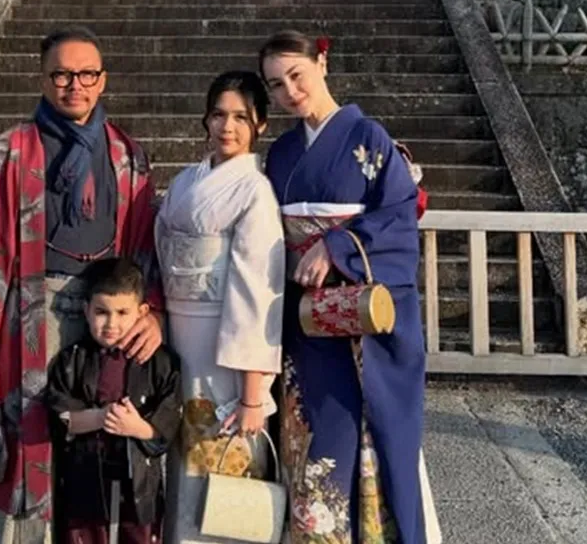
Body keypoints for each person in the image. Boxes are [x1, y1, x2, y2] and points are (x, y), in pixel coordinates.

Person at [0, 25, 166, 544]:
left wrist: (151, 312)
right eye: (62, 74)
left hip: (109, 315)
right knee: (25, 436)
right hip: (27, 310)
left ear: (103, 80)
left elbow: (145, 248)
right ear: (44, 78)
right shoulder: (4, 156)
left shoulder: (129, 158)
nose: (75, 85)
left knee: (98, 435)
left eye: (86, 74)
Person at [258, 30, 441, 543]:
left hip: (361, 321)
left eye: (296, 75)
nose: (289, 91)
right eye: (276, 85)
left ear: (322, 63)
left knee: (371, 435)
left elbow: (399, 216)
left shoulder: (370, 138)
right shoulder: (282, 154)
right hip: (306, 320)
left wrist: (336, 247)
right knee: (315, 436)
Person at [154, 71, 285, 543]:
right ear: (205, 120)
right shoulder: (188, 180)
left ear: (260, 126)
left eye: (240, 118)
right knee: (183, 455)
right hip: (179, 337)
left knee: (223, 456)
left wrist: (253, 393)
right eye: (218, 115)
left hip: (227, 347)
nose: (226, 127)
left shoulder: (254, 191)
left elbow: (257, 291)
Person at [45, 257, 182, 544]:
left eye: (122, 312)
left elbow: (170, 419)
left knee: (140, 535)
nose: (111, 323)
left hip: (139, 477)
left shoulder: (160, 363)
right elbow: (61, 415)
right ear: (86, 310)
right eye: (101, 312)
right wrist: (99, 417)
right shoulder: (73, 360)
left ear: (143, 312)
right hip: (85, 474)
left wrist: (138, 427)